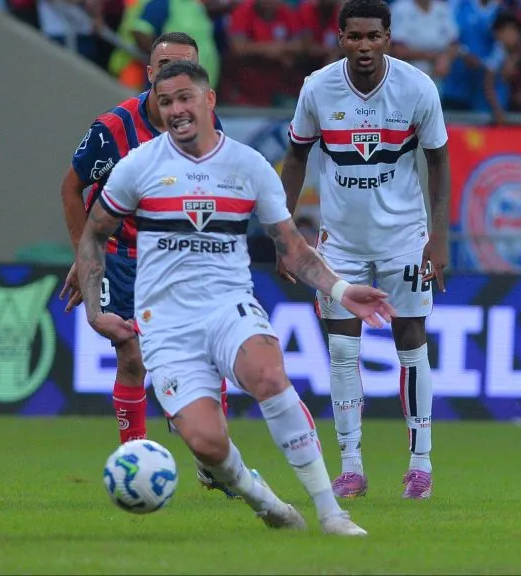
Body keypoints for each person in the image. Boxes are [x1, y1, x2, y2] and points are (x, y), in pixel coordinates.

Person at [76, 60, 395, 535]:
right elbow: (93, 236)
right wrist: (97, 312)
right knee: (205, 443)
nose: (176, 110)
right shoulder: (138, 167)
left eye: (185, 98)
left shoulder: (247, 166)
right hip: (165, 324)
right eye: (165, 103)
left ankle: (331, 512)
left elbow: (293, 248)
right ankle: (262, 499)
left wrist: (343, 290)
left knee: (268, 375)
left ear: (209, 100)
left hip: (228, 306)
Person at [59, 31, 257, 498]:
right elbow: (71, 187)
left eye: (185, 66)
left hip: (181, 255)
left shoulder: (208, 124)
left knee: (209, 356)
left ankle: (214, 458)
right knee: (132, 354)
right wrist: (82, 252)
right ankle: (136, 461)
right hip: (125, 256)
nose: (173, 75)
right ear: (150, 74)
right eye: (165, 65)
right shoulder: (113, 129)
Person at [280, 0, 450, 500]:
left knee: (412, 342)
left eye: (373, 36)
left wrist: (438, 237)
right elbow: (294, 157)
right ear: (340, 38)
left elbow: (439, 164)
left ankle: (420, 464)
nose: (365, 46)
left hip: (405, 238)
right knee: (342, 351)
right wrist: (287, 234)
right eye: (355, 37)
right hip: (341, 243)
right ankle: (351, 465)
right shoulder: (318, 88)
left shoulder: (418, 89)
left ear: (388, 37)